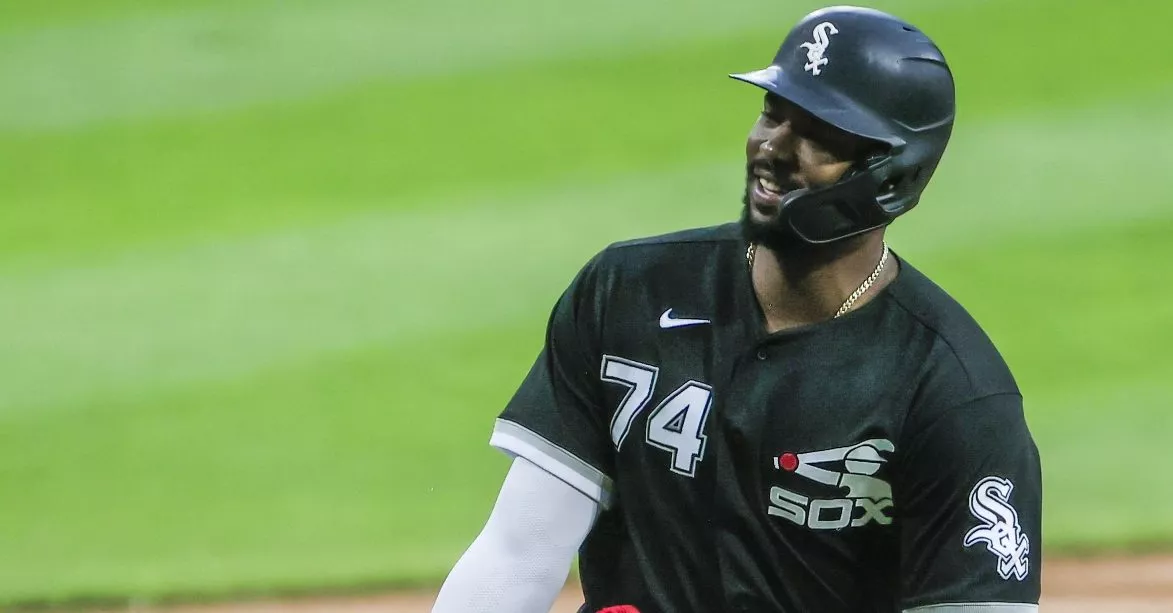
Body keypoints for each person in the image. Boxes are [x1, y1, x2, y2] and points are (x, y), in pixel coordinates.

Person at [431, 5, 1042, 613]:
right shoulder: (628, 292)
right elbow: (517, 554)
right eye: (773, 113)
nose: (773, 146)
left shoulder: (952, 393)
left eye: (817, 131)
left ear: (891, 173)